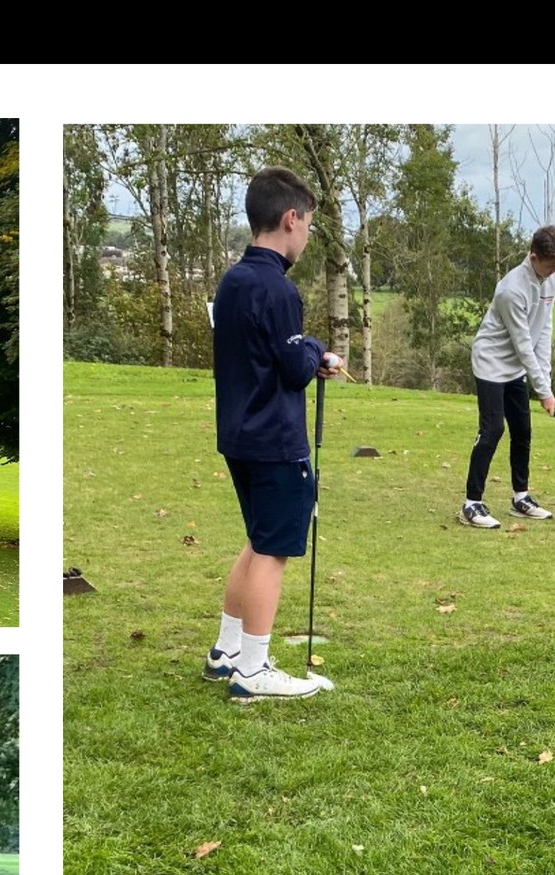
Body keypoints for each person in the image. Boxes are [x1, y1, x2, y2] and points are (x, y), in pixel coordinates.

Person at [205, 165, 346, 703]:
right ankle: (254, 669)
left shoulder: (235, 280)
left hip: (240, 433)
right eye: (308, 224)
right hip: (274, 438)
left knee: (258, 540)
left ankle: (227, 652)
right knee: (274, 550)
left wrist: (306, 353)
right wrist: (317, 350)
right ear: (291, 219)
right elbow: (291, 365)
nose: (307, 235)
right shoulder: (276, 287)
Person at [462, 225, 555, 529]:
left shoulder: (551, 278)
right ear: (534, 257)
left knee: (522, 429)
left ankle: (520, 498)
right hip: (491, 362)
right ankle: (471, 503)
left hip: (515, 367)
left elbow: (543, 332)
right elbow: (523, 344)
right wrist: (544, 392)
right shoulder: (511, 290)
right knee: (493, 429)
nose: (553, 272)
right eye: (549, 265)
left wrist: (545, 384)